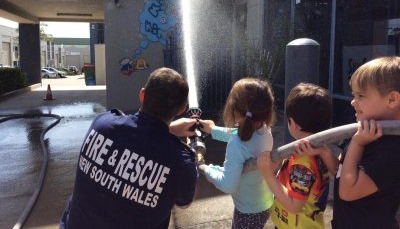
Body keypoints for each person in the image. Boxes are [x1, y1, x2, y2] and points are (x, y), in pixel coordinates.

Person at [60, 67, 198, 229]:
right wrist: (190, 150)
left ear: (142, 95)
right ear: (182, 109)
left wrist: (169, 130)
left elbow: (136, 134)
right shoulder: (180, 161)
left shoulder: (102, 125)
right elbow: (184, 201)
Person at [331, 56, 400, 229]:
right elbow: (346, 168)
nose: (353, 102)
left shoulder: (391, 148)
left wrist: (357, 144)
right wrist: (324, 152)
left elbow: (348, 191)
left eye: (361, 96)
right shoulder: (370, 132)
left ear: (392, 99)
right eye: (353, 95)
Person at [199, 78, 276, 229]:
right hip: (266, 202)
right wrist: (212, 130)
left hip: (247, 212)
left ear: (234, 108)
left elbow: (228, 185)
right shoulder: (265, 131)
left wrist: (206, 169)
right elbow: (242, 134)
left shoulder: (236, 144)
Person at [257, 83, 335, 229]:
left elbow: (294, 205)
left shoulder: (303, 162)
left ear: (294, 124)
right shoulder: (319, 150)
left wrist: (268, 175)